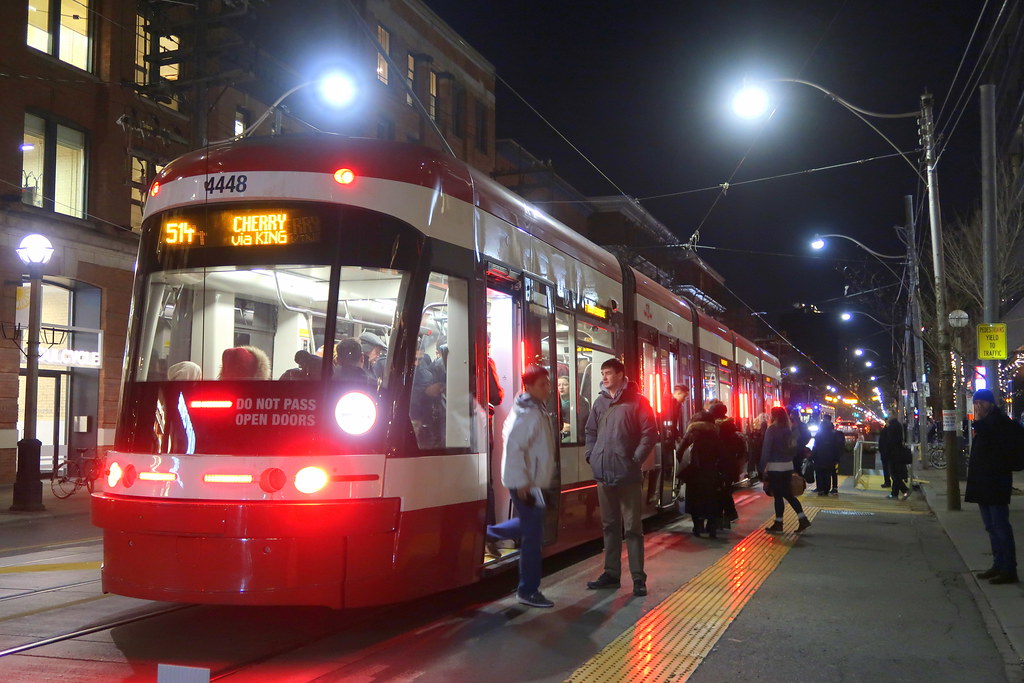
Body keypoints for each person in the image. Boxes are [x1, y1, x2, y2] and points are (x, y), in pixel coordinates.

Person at [484, 365, 557, 608]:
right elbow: (514, 447)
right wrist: (522, 481)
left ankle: (490, 534)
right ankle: (528, 590)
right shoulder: (527, 413)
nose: (548, 388)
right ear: (529, 386)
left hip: (530, 481)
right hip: (526, 482)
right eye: (543, 384)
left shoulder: (534, 408)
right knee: (532, 537)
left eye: (548, 383)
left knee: (530, 527)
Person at [585, 358, 657, 597]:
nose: (604, 377)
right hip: (603, 473)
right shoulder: (600, 402)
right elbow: (590, 431)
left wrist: (635, 460)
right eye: (603, 373)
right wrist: (591, 456)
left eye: (608, 373)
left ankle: (638, 578)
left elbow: (649, 434)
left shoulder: (638, 401)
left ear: (620, 375)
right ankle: (611, 573)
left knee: (633, 528)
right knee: (609, 526)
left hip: (627, 475)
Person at [966, 389, 1024, 584]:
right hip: (984, 484)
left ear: (991, 404)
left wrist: (981, 424)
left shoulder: (998, 423)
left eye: (982, 402)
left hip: (995, 483)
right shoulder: (985, 424)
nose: (979, 406)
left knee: (1000, 526)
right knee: (991, 527)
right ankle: (998, 564)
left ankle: (1008, 569)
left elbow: (999, 449)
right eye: (976, 402)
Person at [759, 406, 811, 533]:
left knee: (778, 496)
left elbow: (766, 450)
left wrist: (761, 468)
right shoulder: (789, 430)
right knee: (788, 494)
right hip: (788, 466)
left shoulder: (772, 430)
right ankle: (802, 519)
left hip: (775, 467)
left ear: (773, 416)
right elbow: (794, 449)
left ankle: (779, 524)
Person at [678, 406, 724, 538]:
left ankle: (697, 527)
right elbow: (722, 454)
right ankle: (712, 528)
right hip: (710, 473)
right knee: (711, 500)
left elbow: (680, 451)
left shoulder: (691, 433)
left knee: (695, 500)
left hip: (694, 474)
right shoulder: (714, 435)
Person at [811, 416, 842, 496]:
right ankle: (826, 490)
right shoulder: (833, 434)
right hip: (830, 457)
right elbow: (836, 447)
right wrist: (836, 458)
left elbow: (815, 446)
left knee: (819, 473)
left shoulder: (818, 435)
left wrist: (812, 456)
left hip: (819, 457)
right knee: (827, 473)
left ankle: (820, 489)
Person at [878, 416, 903, 489]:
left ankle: (903, 489)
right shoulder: (890, 427)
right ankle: (897, 489)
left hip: (889, 452)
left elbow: (889, 440)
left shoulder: (891, 428)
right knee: (891, 470)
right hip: (888, 451)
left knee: (892, 471)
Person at [557, 375, 573, 441]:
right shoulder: (553, 402)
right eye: (558, 385)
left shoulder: (580, 401)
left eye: (565, 385)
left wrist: (572, 427)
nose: (561, 387)